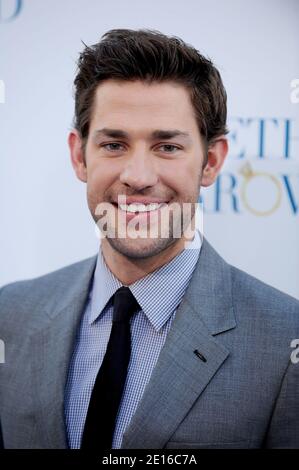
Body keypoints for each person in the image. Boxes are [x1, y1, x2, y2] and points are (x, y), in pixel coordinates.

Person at [0, 29, 298, 450]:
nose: (138, 177)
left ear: (211, 162)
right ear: (79, 155)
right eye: (114, 144)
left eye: (167, 147)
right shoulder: (9, 316)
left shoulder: (285, 341)